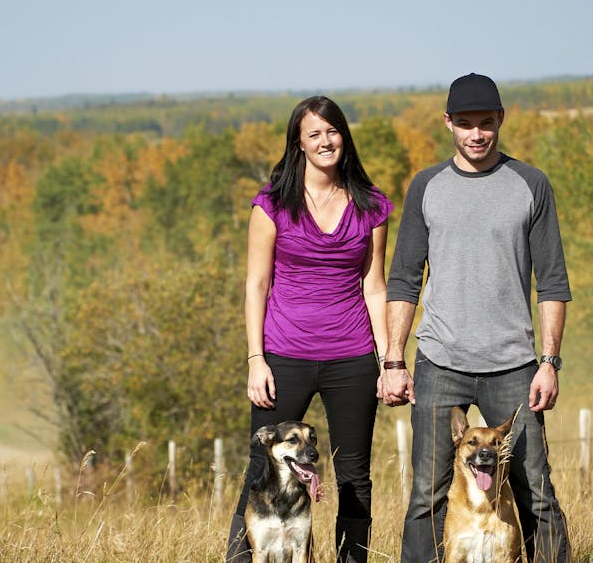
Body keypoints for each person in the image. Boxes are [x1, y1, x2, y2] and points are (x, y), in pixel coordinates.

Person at [378, 72, 572, 562]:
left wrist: (549, 361)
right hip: (441, 362)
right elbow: (403, 279)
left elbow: (552, 282)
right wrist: (394, 360)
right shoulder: (426, 186)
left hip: (513, 364)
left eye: (486, 123)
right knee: (427, 493)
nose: (476, 134)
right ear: (448, 123)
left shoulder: (531, 184)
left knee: (536, 491)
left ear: (500, 120)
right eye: (465, 124)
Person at [226, 95, 394, 563]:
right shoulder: (272, 204)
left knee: (355, 477)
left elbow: (374, 286)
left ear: (345, 135)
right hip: (283, 357)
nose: (326, 141)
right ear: (298, 144)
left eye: (332, 130)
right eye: (314, 134)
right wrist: (255, 359)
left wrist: (389, 362)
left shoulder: (372, 206)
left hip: (353, 358)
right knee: (260, 469)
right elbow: (256, 284)